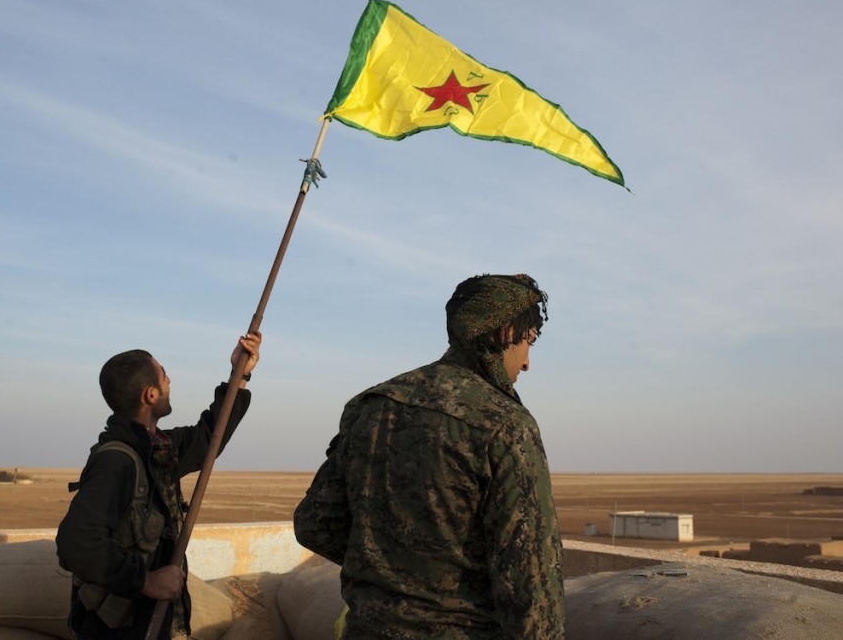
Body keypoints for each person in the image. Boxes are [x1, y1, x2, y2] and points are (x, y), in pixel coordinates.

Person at [294, 274, 564, 639]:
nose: (528, 361)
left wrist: (391, 572)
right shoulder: (506, 425)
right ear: (503, 334)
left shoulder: (371, 406)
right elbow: (532, 594)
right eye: (528, 341)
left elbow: (314, 524)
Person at [56, 331, 262, 639]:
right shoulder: (116, 462)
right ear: (150, 395)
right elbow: (76, 545)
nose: (169, 382)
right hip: (116, 631)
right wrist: (147, 581)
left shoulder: (159, 448)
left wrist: (239, 374)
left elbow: (209, 437)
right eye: (164, 376)